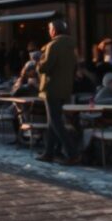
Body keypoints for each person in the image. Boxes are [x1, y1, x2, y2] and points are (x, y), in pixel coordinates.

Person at [35, 20, 80, 164]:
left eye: (49, 29)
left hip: (52, 88)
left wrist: (38, 61)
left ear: (54, 30)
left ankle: (72, 153)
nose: (49, 32)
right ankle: (49, 153)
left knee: (55, 122)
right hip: (64, 88)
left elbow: (45, 67)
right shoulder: (71, 46)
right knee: (52, 122)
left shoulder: (53, 45)